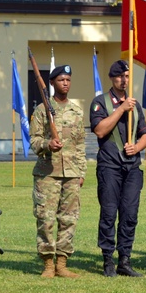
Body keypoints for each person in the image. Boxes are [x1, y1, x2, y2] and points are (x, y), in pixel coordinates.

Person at [90, 59, 146, 277]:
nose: (123, 80)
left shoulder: (135, 106)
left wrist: (137, 147)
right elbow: (100, 130)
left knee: (129, 214)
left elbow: (145, 132)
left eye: (126, 76)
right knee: (108, 213)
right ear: (111, 78)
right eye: (119, 76)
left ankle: (125, 259)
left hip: (132, 167)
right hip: (110, 166)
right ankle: (108, 259)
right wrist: (121, 109)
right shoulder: (101, 102)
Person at [31, 64, 87, 278]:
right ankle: (47, 264)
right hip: (47, 172)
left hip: (71, 173)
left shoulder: (76, 111)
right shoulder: (41, 110)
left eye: (68, 80)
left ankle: (62, 263)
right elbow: (33, 140)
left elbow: (80, 143)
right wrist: (47, 144)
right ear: (52, 83)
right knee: (45, 218)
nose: (66, 83)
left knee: (69, 218)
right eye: (61, 79)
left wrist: (81, 171)